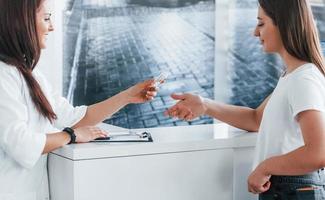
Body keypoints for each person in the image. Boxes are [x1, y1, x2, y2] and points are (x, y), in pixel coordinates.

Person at [165, 0, 325, 199]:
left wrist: (265, 168)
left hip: (292, 189)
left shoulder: (304, 79)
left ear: (284, 24)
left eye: (261, 23)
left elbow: (319, 152)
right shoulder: (292, 77)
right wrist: (204, 105)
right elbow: (256, 119)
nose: (255, 33)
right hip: (285, 189)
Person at [0, 0, 158, 199]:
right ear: (21, 22)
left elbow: (73, 118)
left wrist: (127, 96)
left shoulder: (32, 75)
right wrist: (71, 135)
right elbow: (21, 144)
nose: (52, 26)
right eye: (46, 18)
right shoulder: (3, 75)